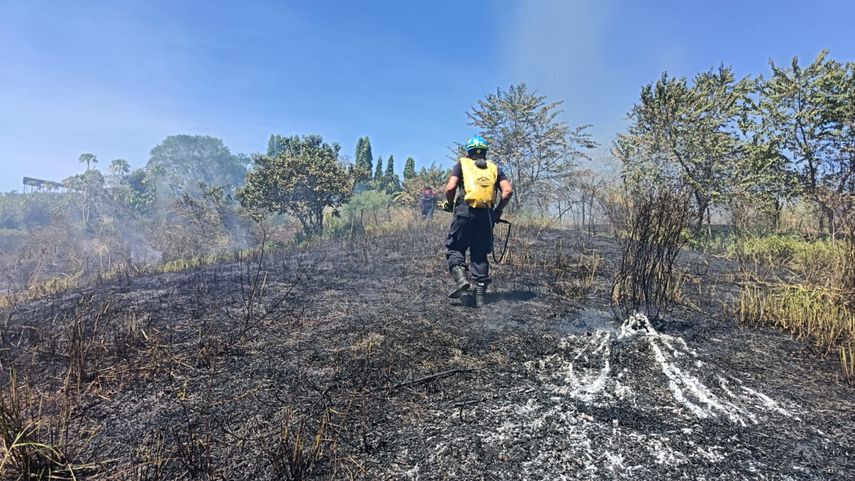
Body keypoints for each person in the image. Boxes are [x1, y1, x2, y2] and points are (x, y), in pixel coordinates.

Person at [441, 135, 513, 307]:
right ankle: (480, 296)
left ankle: (461, 280)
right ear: (485, 152)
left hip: (464, 212)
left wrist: (450, 204)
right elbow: (508, 191)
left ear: (469, 151)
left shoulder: (462, 164)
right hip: (486, 216)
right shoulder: (495, 168)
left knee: (456, 247)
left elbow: (450, 188)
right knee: (480, 253)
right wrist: (497, 211)